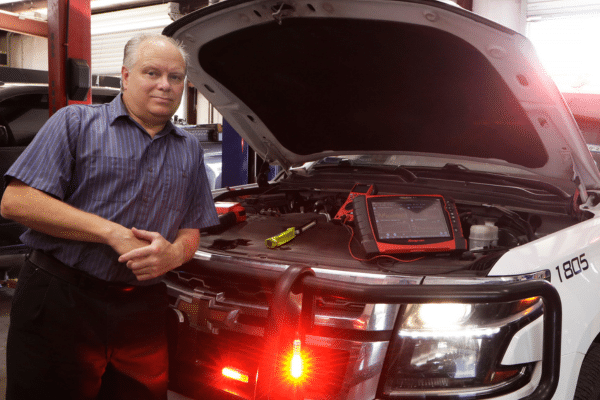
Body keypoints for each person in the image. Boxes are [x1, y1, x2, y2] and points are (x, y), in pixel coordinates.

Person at [0, 34, 219, 399]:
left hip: (142, 309)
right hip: (61, 300)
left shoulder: (189, 149)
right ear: (125, 76)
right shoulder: (75, 123)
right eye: (152, 72)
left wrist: (174, 254)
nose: (165, 85)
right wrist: (110, 233)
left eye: (176, 77)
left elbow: (190, 229)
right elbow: (17, 202)